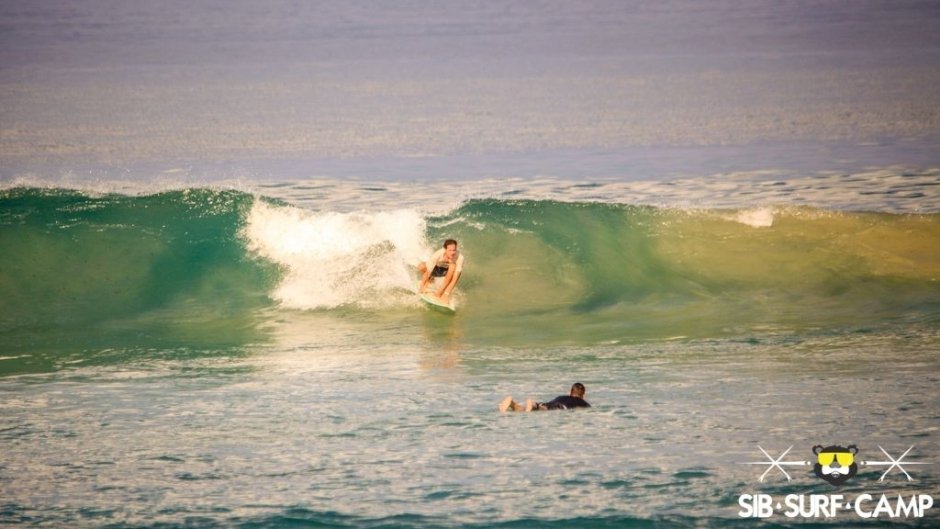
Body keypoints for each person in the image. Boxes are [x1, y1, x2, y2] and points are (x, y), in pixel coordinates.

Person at [417, 239, 464, 304]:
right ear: (445, 249)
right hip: (438, 269)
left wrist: (446, 294)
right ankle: (430, 281)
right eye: (450, 250)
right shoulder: (438, 255)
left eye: (454, 250)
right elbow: (428, 272)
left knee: (453, 266)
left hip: (448, 272)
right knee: (421, 266)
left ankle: (440, 292)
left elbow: (455, 279)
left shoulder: (460, 258)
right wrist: (422, 287)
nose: (452, 253)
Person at [499, 383, 591, 412]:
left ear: (571, 392)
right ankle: (534, 406)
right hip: (561, 406)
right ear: (583, 394)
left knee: (544, 406)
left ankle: (513, 404)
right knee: (544, 409)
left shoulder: (562, 396)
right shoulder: (584, 403)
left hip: (556, 401)